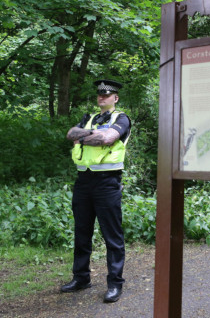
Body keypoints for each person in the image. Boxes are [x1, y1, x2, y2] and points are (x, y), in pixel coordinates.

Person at [60, 79, 131, 303]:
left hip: (107, 183)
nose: (102, 97)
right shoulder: (89, 118)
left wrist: (86, 136)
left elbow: (109, 138)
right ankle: (81, 278)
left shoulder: (121, 118)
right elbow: (70, 134)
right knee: (82, 233)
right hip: (83, 181)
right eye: (99, 94)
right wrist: (93, 135)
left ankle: (115, 284)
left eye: (107, 94)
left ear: (115, 98)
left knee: (112, 236)